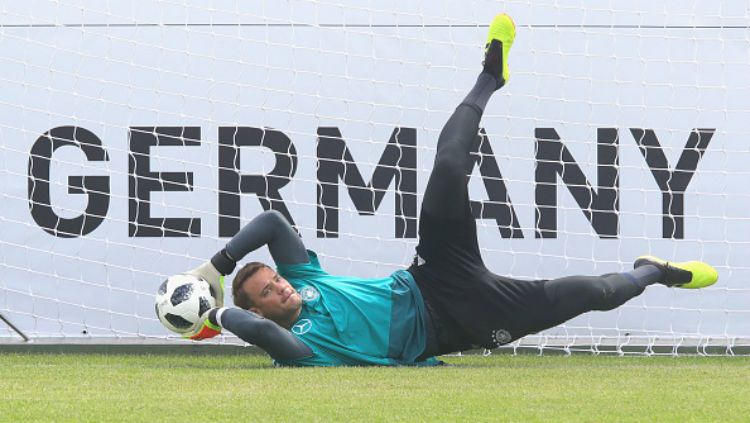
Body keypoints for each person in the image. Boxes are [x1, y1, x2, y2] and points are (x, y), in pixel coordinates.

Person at [178, 14, 718, 366]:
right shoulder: (300, 348)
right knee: (591, 294)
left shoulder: (306, 280)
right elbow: (265, 337)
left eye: (275, 281)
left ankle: (489, 77)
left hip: (431, 275)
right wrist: (214, 313)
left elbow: (272, 221)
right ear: (262, 311)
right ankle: (655, 271)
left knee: (448, 167)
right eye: (270, 294)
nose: (281, 290)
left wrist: (216, 269)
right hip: (461, 323)